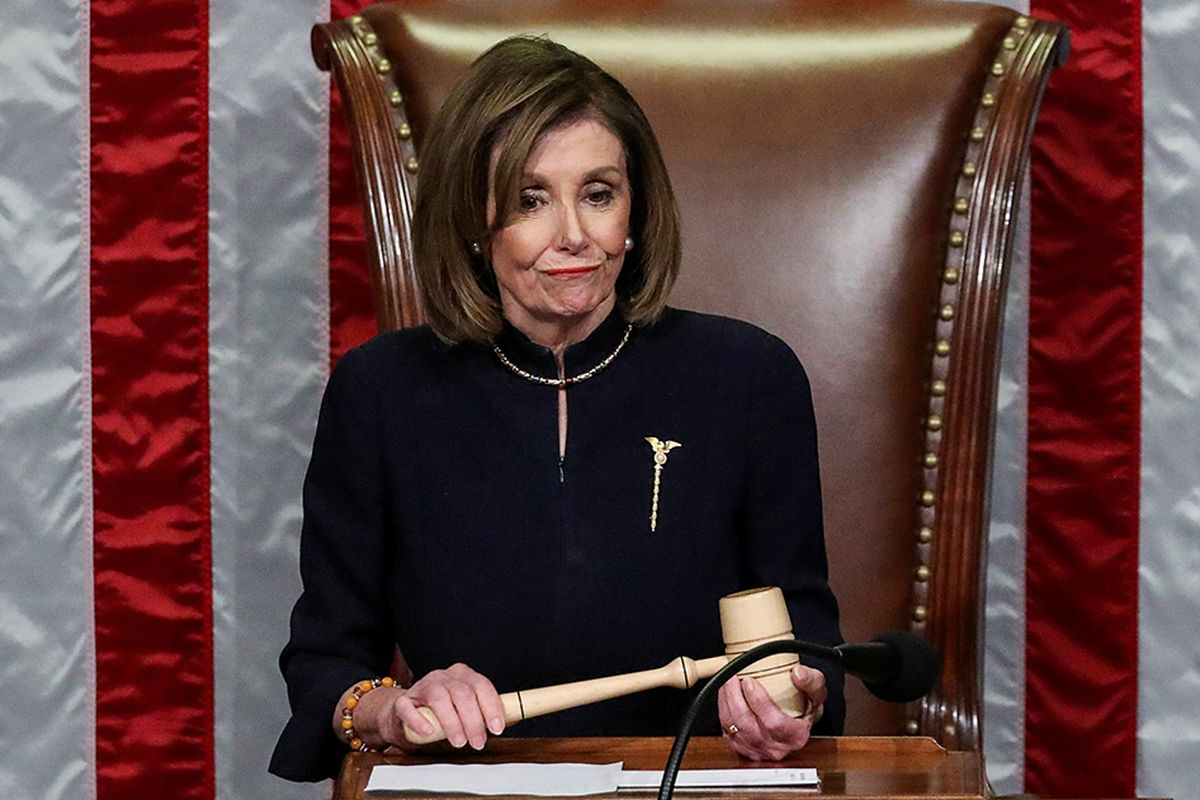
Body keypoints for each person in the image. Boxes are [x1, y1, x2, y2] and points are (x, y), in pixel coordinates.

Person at [269, 35, 844, 783]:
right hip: (475, 786)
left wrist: (792, 701)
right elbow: (325, 661)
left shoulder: (750, 378)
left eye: (598, 193)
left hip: (697, 785)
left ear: (634, 212)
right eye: (529, 200)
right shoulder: (380, 391)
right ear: (475, 226)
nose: (573, 235)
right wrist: (393, 708)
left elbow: (806, 642)